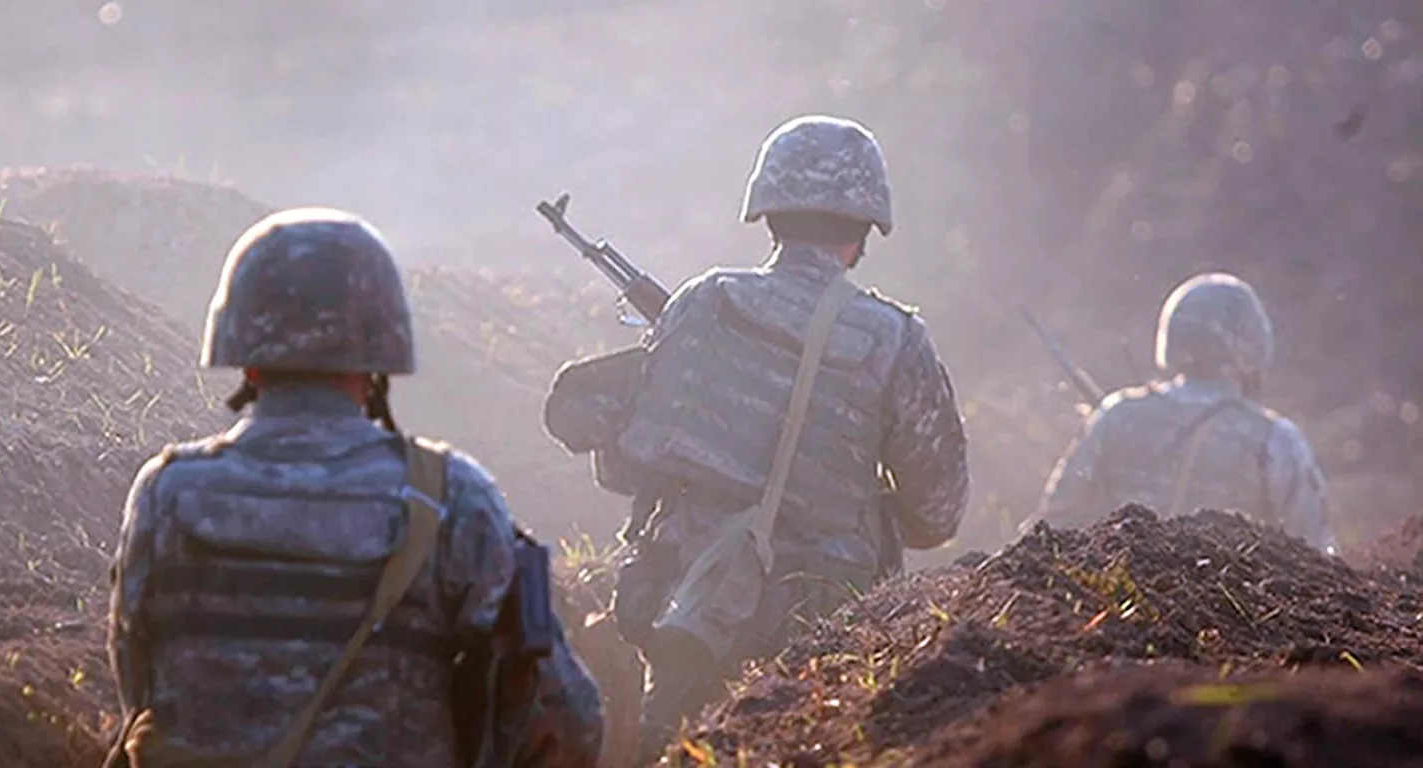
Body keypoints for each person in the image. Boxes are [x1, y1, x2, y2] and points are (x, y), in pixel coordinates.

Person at [104, 207, 603, 768]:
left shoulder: (167, 494)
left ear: (244, 351)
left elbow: (139, 684)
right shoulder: (452, 497)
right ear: (378, 355)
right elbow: (566, 716)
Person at [552, 114, 971, 764]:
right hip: (823, 633)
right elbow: (937, 513)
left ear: (767, 211)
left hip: (685, 608)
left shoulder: (699, 302)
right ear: (864, 229)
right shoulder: (895, 340)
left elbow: (631, 465)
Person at [1037, 272, 1336, 554]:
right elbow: (1318, 558)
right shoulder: (1275, 440)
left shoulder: (1116, 415)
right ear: (1250, 341)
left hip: (1117, 598)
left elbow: (1050, 527)